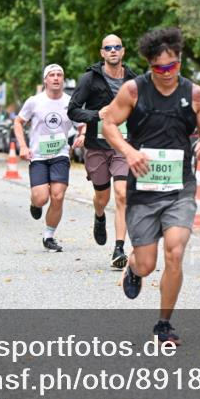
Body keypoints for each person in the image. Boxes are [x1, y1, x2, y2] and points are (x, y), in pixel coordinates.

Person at [100, 27, 200, 345]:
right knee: (147, 263)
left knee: (175, 251)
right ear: (150, 65)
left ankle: (164, 324)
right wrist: (127, 151)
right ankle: (135, 271)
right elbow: (108, 123)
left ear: (179, 61)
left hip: (180, 187)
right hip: (143, 189)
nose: (166, 73)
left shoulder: (194, 94)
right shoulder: (133, 91)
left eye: (173, 66)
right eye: (159, 68)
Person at [67, 34, 139, 269]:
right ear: (102, 53)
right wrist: (97, 114)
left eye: (117, 47)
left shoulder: (133, 80)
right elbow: (73, 110)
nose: (113, 51)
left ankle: (119, 248)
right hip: (97, 146)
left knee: (122, 194)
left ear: (123, 51)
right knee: (102, 197)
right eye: (108, 48)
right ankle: (99, 216)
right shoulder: (89, 79)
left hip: (122, 145)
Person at [14, 64, 79, 252]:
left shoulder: (70, 102)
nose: (56, 78)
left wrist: (82, 135)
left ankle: (49, 236)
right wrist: (23, 146)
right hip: (39, 156)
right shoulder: (34, 101)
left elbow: (82, 125)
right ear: (45, 79)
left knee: (58, 196)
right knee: (41, 198)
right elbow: (18, 122)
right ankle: (35, 203)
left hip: (60, 154)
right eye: (52, 75)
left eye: (60, 75)